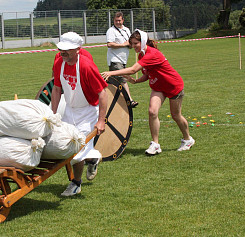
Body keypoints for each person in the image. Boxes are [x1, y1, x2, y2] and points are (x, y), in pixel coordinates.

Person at [101, 29, 195, 155]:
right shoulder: (142, 54)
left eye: (135, 43)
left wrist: (110, 73)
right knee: (152, 112)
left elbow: (133, 69)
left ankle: (187, 139)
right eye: (132, 44)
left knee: (176, 115)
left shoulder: (152, 54)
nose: (133, 46)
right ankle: (155, 144)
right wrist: (136, 81)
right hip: (158, 87)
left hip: (173, 86)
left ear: (143, 41)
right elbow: (147, 74)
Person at [52, 32, 108, 196]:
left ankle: (76, 183)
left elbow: (103, 93)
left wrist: (101, 121)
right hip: (69, 109)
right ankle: (92, 158)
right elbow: (56, 88)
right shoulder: (58, 62)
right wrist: (54, 114)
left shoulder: (86, 66)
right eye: (61, 49)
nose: (63, 53)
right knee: (67, 147)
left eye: (67, 50)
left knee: (76, 153)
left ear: (78, 49)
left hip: (88, 111)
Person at [106, 11, 138, 108]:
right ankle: (130, 100)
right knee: (123, 79)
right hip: (115, 60)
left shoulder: (127, 30)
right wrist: (122, 45)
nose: (118, 22)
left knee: (115, 84)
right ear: (113, 20)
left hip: (123, 60)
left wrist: (131, 45)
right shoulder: (111, 31)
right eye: (116, 21)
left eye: (119, 20)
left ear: (123, 20)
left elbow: (130, 42)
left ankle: (111, 101)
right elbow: (109, 44)